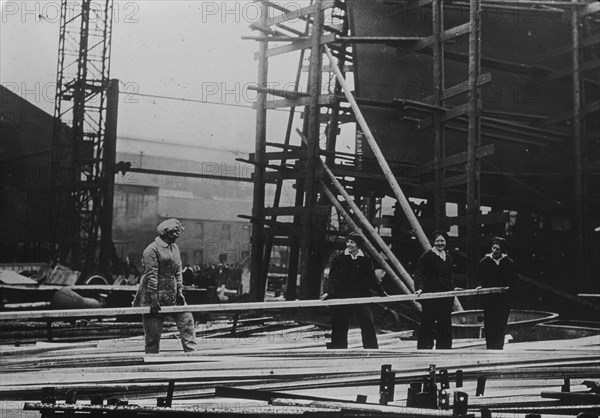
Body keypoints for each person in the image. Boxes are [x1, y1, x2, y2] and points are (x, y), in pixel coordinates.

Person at [133, 219, 198, 354]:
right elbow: (151, 275)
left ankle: (193, 356)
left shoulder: (175, 248)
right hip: (154, 292)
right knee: (153, 335)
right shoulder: (151, 250)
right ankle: (152, 363)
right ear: (167, 234)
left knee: (186, 322)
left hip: (172, 291)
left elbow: (178, 269)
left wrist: (180, 291)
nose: (177, 236)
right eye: (175, 233)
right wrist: (153, 299)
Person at [321, 232, 387, 349]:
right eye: (348, 242)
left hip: (361, 296)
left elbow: (371, 278)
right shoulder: (340, 258)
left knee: (367, 322)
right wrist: (328, 292)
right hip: (342, 296)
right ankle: (338, 349)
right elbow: (333, 277)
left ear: (358, 245)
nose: (348, 245)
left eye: (352, 242)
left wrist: (381, 292)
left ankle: (371, 349)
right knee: (340, 324)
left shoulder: (365, 259)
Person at [414, 230, 457, 349]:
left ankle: (444, 348)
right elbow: (419, 274)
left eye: (442, 241)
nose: (440, 243)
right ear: (433, 242)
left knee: (444, 323)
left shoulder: (448, 257)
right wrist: (419, 288)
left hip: (444, 296)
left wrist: (452, 289)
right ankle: (424, 348)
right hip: (431, 295)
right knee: (428, 322)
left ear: (446, 242)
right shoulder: (427, 256)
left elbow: (449, 276)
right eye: (437, 241)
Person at [476, 237, 518, 349]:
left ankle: (499, 346)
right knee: (490, 323)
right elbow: (479, 278)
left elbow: (514, 280)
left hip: (503, 299)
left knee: (501, 322)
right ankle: (490, 346)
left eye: (498, 249)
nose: (495, 251)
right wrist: (481, 286)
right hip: (489, 299)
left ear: (502, 251)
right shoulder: (484, 262)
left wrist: (509, 288)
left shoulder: (508, 263)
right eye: (493, 248)